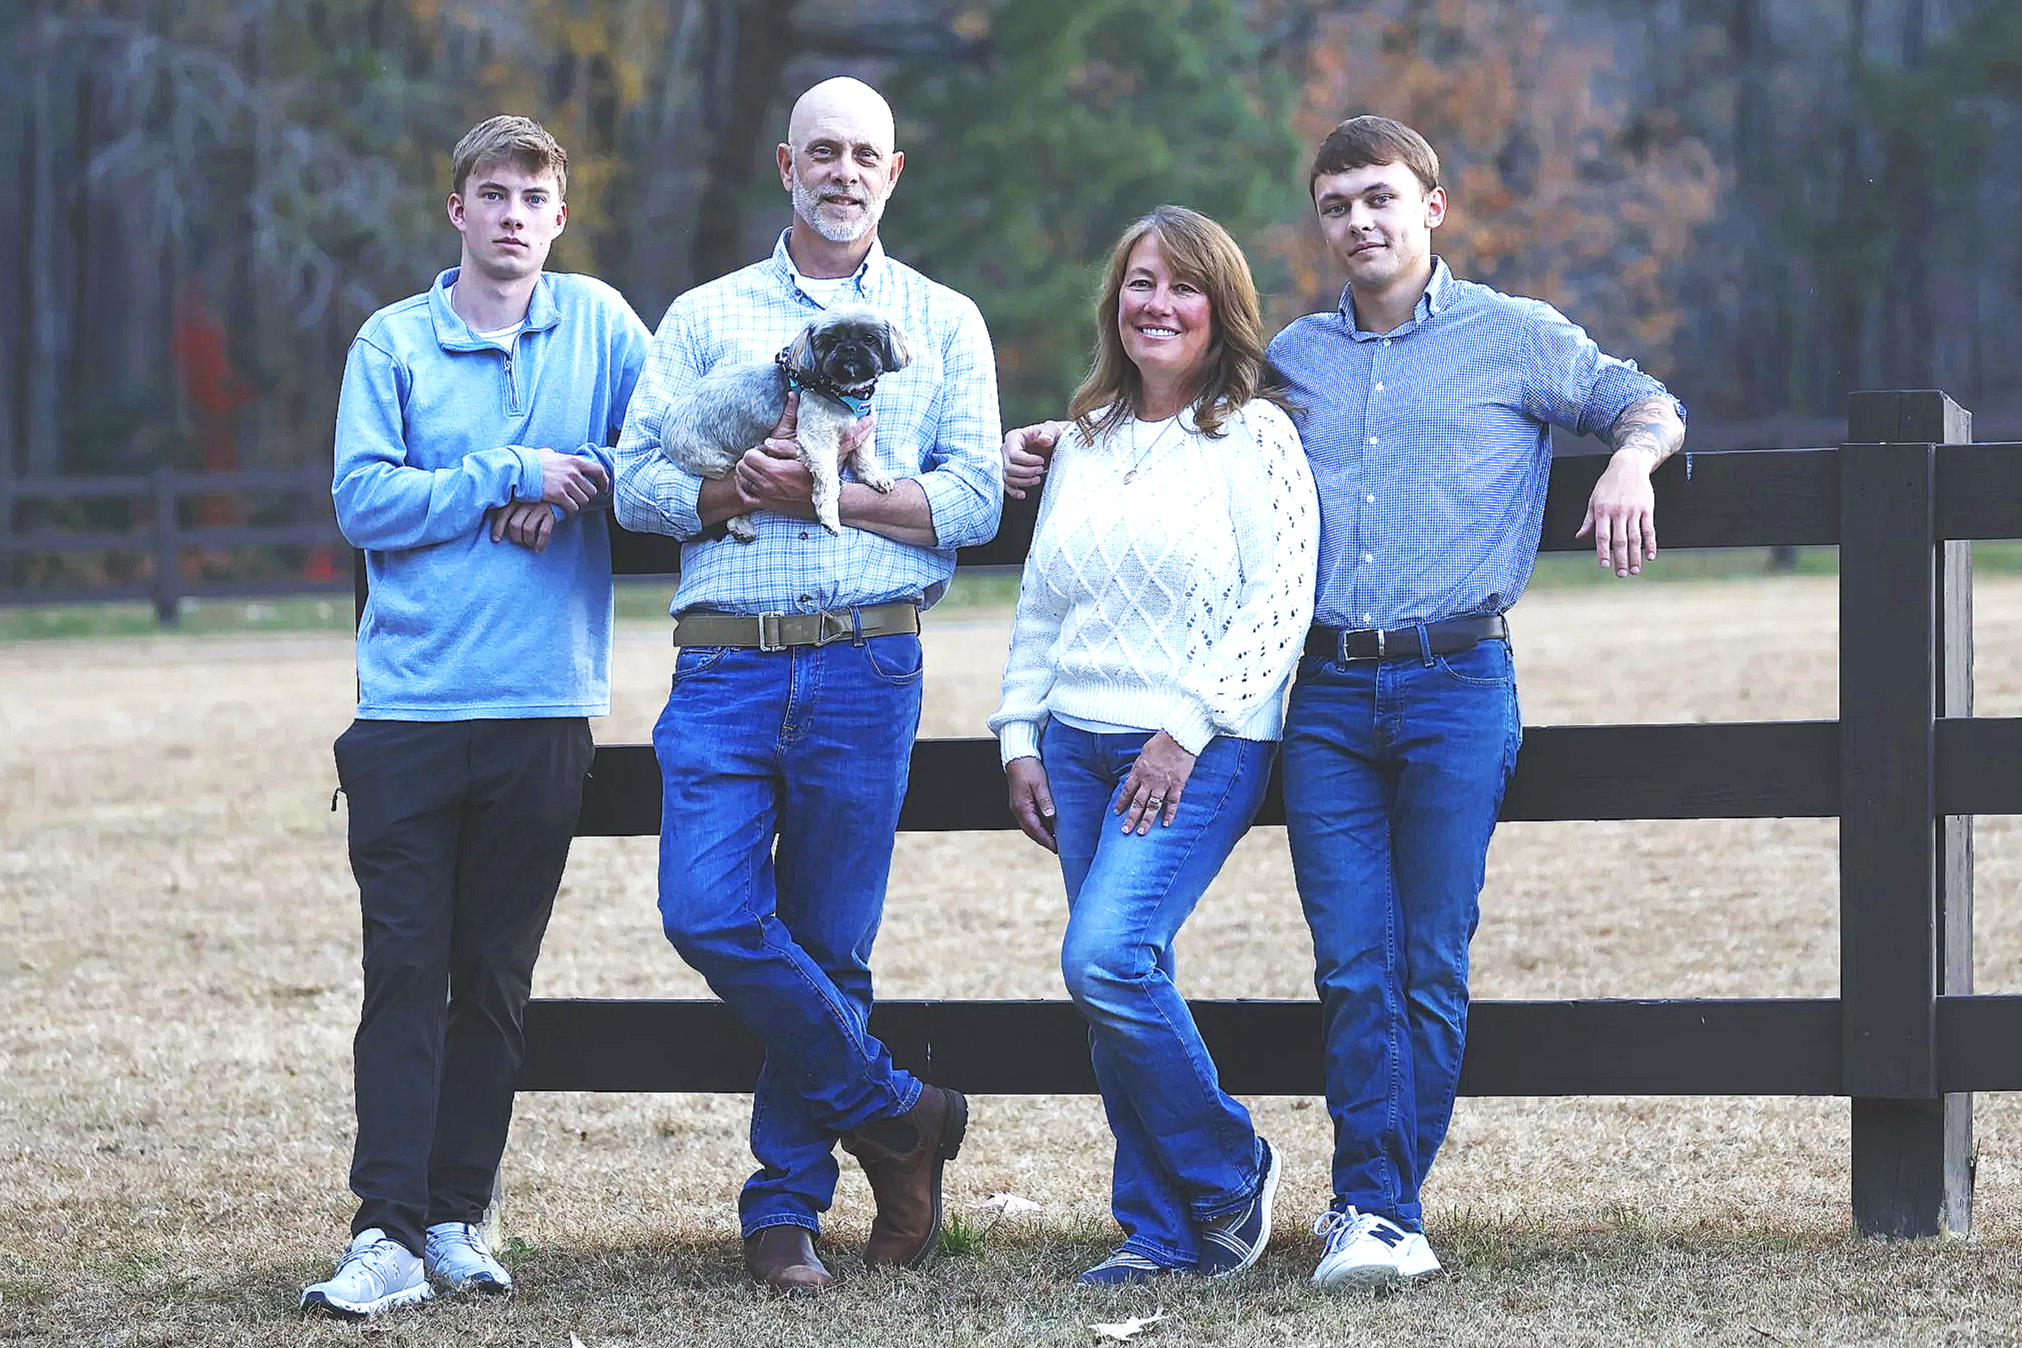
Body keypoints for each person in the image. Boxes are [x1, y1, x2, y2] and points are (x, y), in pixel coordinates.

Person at [1002, 115, 1685, 1291]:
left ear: (1433, 205)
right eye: (1336, 205)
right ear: (1319, 223)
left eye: (1380, 198)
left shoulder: (1513, 337)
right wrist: (1072, 437)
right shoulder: (1298, 361)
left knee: (1428, 955)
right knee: (1353, 958)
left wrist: (1631, 461)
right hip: (1323, 691)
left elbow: (1643, 398)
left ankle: (1380, 1206)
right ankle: (1351, 1203)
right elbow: (1179, 409)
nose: (1360, 222)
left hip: (1456, 679)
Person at [612, 77, 1002, 1295]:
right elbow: (635, 483)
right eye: (821, 151)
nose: (842, 170)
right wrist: (739, 490)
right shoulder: (704, 318)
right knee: (707, 912)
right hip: (724, 656)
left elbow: (977, 498)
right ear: (787, 165)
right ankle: (901, 1110)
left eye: (864, 155)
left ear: (894, 173)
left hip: (866, 657)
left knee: (832, 941)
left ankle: (784, 1215)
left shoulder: (943, 322)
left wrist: (836, 496)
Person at [307, 115, 650, 1318]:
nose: (511, 214)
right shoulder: (394, 341)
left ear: (560, 217)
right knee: (403, 973)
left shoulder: (602, 324)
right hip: (408, 709)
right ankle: (384, 1233)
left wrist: (580, 477)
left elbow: (655, 448)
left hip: (543, 705)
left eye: (533, 197)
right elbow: (363, 499)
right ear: (455, 209)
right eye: (491, 194)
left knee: (495, 981)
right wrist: (510, 471)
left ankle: (458, 1217)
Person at [989, 206, 1317, 1285]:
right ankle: (1160, 1230)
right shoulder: (1082, 439)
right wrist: (1018, 735)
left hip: (1199, 742)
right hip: (1076, 744)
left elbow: (1280, 601)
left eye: (1182, 287)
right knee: (1116, 983)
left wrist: (1183, 731)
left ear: (1220, 310)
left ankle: (1230, 1170)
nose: (1157, 304)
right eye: (1140, 282)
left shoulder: (1253, 434)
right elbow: (1044, 602)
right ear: (1114, 303)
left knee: (1106, 957)